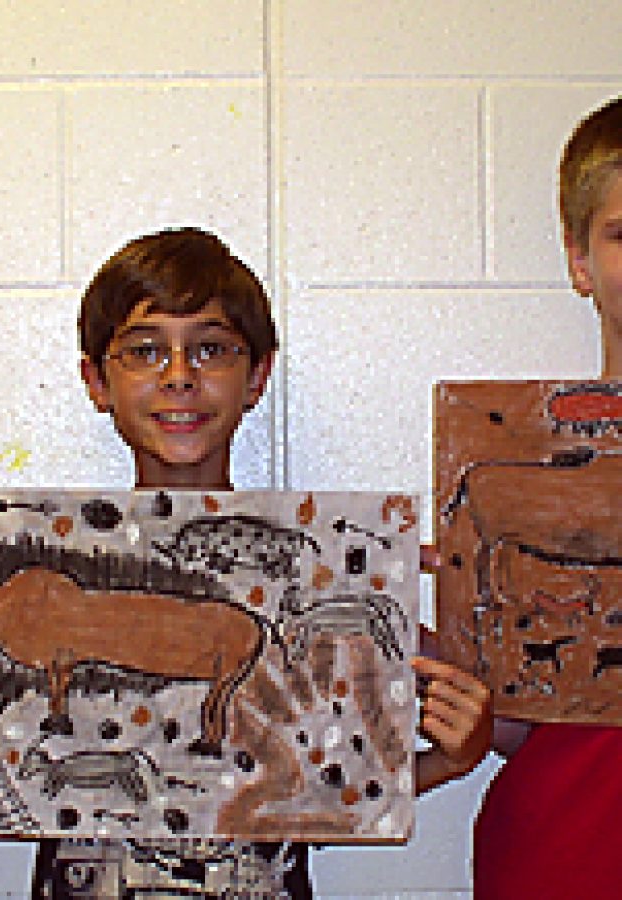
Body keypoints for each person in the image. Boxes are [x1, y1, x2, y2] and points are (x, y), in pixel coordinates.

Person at [32, 226, 493, 897]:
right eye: (145, 350)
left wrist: (451, 758)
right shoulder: (54, 571)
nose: (180, 375)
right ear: (96, 381)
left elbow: (337, 783)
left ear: (257, 377)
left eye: (211, 348)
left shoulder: (321, 568)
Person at [473, 95, 622, 899]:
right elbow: (527, 720)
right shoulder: (513, 471)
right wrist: (426, 645)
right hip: (559, 857)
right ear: (578, 260)